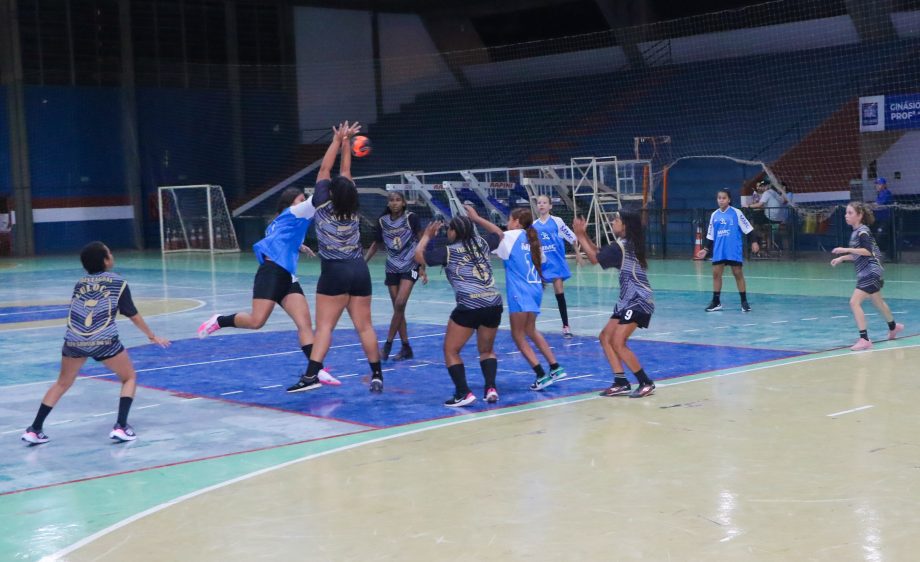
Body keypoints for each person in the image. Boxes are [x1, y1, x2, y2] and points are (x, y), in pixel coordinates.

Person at [21, 242, 171, 445]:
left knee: (62, 383)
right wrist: (152, 336)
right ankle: (121, 427)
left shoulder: (79, 284)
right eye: (109, 252)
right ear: (105, 260)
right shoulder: (118, 282)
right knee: (129, 378)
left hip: (73, 340)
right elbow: (132, 314)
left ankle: (34, 429)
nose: (111, 254)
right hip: (104, 339)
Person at [197, 187, 333, 390]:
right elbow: (320, 196)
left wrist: (300, 246)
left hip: (288, 276)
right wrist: (339, 184)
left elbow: (282, 238)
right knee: (256, 321)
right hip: (271, 273)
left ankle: (315, 371)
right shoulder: (294, 212)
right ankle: (219, 320)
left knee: (304, 325)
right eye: (300, 199)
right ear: (290, 203)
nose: (303, 201)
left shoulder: (281, 221)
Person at [287, 121, 385, 393]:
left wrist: (337, 140)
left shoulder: (322, 202)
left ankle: (310, 377)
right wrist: (346, 144)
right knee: (364, 326)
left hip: (334, 271)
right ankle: (377, 375)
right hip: (358, 269)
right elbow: (344, 171)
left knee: (325, 327)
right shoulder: (352, 204)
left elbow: (325, 169)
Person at [466, 205, 568, 391]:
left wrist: (476, 218)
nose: (506, 224)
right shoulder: (532, 238)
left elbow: (497, 233)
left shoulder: (512, 236)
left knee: (517, 335)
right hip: (535, 289)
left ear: (516, 222)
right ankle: (555, 367)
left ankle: (540, 374)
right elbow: (542, 261)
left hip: (519, 291)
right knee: (530, 329)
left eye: (509, 220)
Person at [415, 216, 503, 406]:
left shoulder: (449, 251)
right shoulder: (483, 243)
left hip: (469, 305)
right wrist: (477, 218)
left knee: (451, 350)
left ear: (454, 232)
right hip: (493, 303)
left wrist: (427, 236)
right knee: (486, 350)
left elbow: (419, 256)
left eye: (449, 229)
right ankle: (491, 389)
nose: (447, 233)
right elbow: (499, 233)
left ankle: (463, 393)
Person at [573, 213, 656, 398]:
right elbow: (599, 253)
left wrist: (579, 236)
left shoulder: (623, 246)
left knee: (618, 342)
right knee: (605, 337)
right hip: (626, 301)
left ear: (625, 225)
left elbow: (594, 259)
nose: (612, 222)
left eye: (616, 220)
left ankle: (645, 382)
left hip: (638, 300)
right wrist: (584, 235)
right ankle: (620, 381)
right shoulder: (623, 244)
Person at [830, 201, 904, 351]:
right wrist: (843, 258)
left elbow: (867, 251)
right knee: (878, 302)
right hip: (872, 271)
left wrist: (845, 249)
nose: (846, 216)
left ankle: (864, 339)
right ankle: (894, 327)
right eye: (846, 213)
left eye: (850, 213)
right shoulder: (855, 232)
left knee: (854, 302)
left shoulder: (863, 231)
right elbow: (858, 255)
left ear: (859, 215)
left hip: (870, 272)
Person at [364, 191, 427, 361]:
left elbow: (422, 241)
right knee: (398, 309)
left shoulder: (411, 218)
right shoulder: (382, 222)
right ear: (388, 204)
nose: (394, 203)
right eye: (391, 200)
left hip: (411, 265)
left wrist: (423, 266)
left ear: (404, 203)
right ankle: (406, 347)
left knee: (400, 304)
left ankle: (388, 345)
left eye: (398, 200)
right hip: (392, 267)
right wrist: (363, 263)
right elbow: (376, 244)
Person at [532, 194, 582, 338]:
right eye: (539, 203)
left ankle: (566, 326)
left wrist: (578, 253)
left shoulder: (557, 222)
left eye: (544, 202)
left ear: (550, 206)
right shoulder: (534, 226)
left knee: (559, 293)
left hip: (556, 265)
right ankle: (530, 326)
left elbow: (572, 238)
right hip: (541, 265)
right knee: (535, 294)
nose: (541, 205)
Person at [696, 189, 754, 312]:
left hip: (733, 249)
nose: (721, 200)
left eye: (724, 198)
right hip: (719, 250)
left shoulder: (736, 213)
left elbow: (748, 229)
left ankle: (744, 302)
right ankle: (716, 302)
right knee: (716, 274)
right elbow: (711, 235)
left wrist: (754, 242)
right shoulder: (714, 215)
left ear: (729, 200)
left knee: (738, 273)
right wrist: (706, 249)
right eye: (719, 198)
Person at [873, 177, 894, 258]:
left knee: (881, 236)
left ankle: (883, 255)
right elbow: (876, 204)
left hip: (886, 219)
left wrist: (871, 205)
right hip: (880, 219)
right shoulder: (879, 194)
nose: (877, 186)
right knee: (879, 236)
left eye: (879, 184)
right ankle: (885, 255)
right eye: (876, 184)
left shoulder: (886, 192)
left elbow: (878, 205)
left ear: (884, 185)